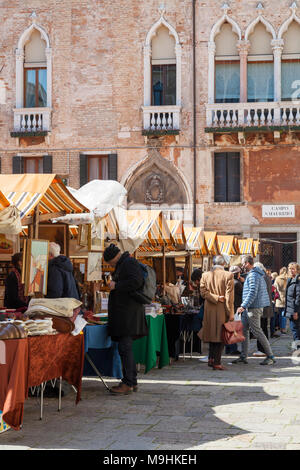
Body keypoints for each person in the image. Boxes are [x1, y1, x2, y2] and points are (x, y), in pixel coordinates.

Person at [104, 244, 148, 395]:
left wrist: (116, 285)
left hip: (128, 315)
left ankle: (128, 382)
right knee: (125, 348)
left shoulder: (129, 263)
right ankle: (131, 381)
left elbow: (136, 282)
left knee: (125, 348)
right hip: (126, 314)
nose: (110, 265)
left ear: (113, 258)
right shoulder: (125, 263)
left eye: (109, 263)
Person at [232, 255, 276, 366]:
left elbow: (252, 292)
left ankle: (270, 356)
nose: (242, 266)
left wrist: (243, 305)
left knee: (257, 331)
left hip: (253, 308)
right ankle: (243, 356)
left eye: (243, 263)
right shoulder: (254, 274)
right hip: (250, 308)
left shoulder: (253, 275)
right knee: (244, 331)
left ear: (247, 263)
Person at [200, 255, 234, 370]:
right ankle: (217, 362)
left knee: (211, 334)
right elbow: (229, 297)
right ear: (223, 264)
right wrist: (231, 313)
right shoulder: (228, 275)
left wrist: (214, 297)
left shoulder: (205, 275)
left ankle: (211, 359)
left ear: (213, 263)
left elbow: (203, 292)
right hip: (222, 309)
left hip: (209, 308)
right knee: (221, 335)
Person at [252, 262, 274, 358]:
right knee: (263, 328)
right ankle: (264, 348)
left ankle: (262, 349)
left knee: (260, 329)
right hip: (266, 306)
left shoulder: (262, 277)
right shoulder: (266, 276)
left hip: (262, 306)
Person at [225, 265, 244, 356]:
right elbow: (243, 294)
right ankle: (233, 348)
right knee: (233, 328)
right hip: (235, 307)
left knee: (229, 328)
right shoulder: (237, 283)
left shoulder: (228, 282)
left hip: (229, 307)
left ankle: (228, 348)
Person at [284, 262, 300, 351]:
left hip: (294, 310)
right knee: (295, 330)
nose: (291, 270)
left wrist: (295, 311)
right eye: (289, 268)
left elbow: (298, 298)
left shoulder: (297, 281)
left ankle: (298, 349)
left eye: (293, 269)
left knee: (295, 330)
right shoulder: (290, 280)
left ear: (297, 270)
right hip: (290, 309)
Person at [274, 267, 288, 334]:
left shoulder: (277, 278)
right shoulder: (288, 278)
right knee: (284, 314)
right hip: (286, 298)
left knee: (279, 313)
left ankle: (278, 327)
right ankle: (283, 328)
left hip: (279, 298)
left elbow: (274, 288)